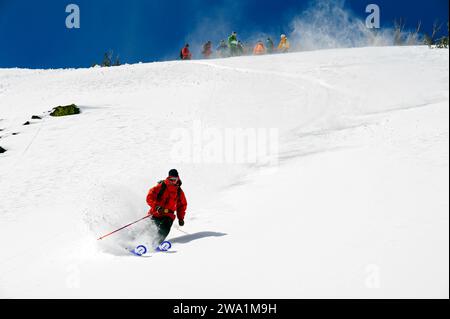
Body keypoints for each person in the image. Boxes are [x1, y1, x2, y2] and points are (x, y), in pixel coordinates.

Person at [146, 169, 187, 245]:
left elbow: (182, 205)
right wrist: (156, 207)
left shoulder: (179, 191)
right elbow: (149, 197)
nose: (173, 181)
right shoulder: (161, 186)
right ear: (168, 178)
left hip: (168, 215)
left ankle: (155, 244)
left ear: (178, 178)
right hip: (156, 213)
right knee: (148, 229)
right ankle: (134, 242)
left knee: (164, 229)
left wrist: (181, 218)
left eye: (175, 179)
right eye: (171, 179)